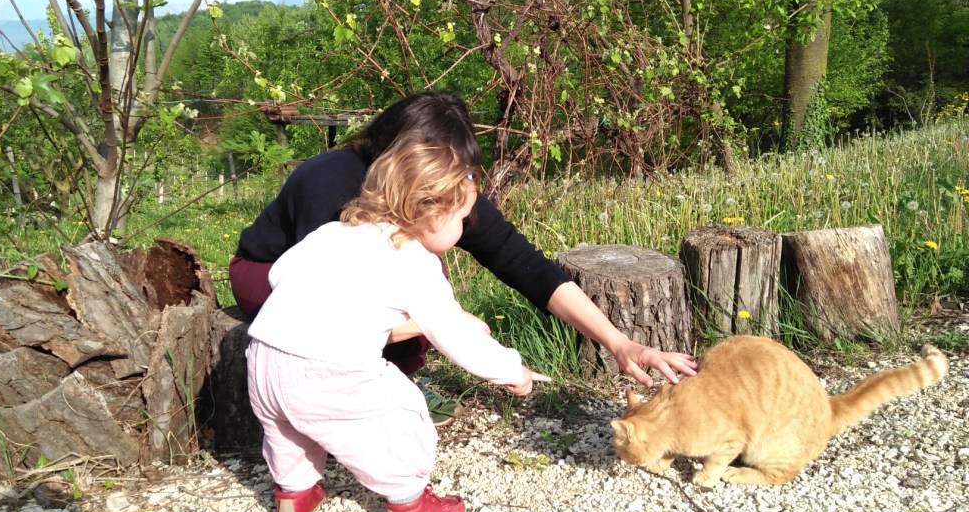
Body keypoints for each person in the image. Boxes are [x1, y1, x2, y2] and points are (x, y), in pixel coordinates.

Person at [230, 90, 696, 391]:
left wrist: (620, 344)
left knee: (425, 282)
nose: (461, 189)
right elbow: (323, 306)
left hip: (338, 296)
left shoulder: (446, 192)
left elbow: (525, 265)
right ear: (404, 164)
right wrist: (444, 326)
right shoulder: (329, 181)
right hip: (271, 278)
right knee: (422, 295)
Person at [246, 137, 551, 512]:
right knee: (399, 411)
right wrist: (512, 369)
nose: (465, 228)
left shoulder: (332, 232)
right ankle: (409, 503)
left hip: (263, 359)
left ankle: (294, 493)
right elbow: (456, 335)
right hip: (327, 371)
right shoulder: (412, 259)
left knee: (286, 431)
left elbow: (277, 276)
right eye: (462, 218)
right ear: (431, 214)